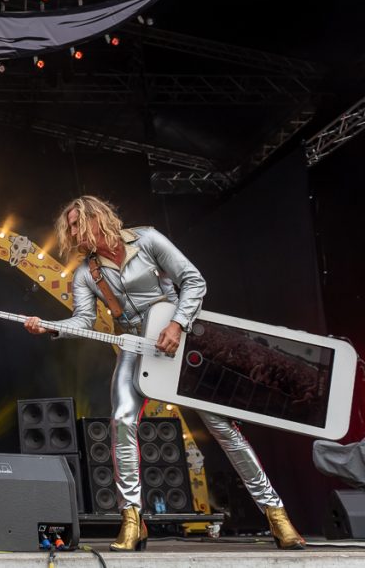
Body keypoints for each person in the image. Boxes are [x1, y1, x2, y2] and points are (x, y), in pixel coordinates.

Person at [24, 195, 304, 551]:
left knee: (221, 427)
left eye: (78, 223)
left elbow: (193, 281)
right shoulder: (86, 273)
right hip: (134, 346)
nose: (74, 232)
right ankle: (132, 520)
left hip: (178, 342)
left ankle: (276, 514)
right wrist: (50, 326)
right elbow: (84, 320)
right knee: (122, 421)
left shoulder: (148, 239)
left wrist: (177, 324)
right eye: (71, 227)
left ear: (97, 218)